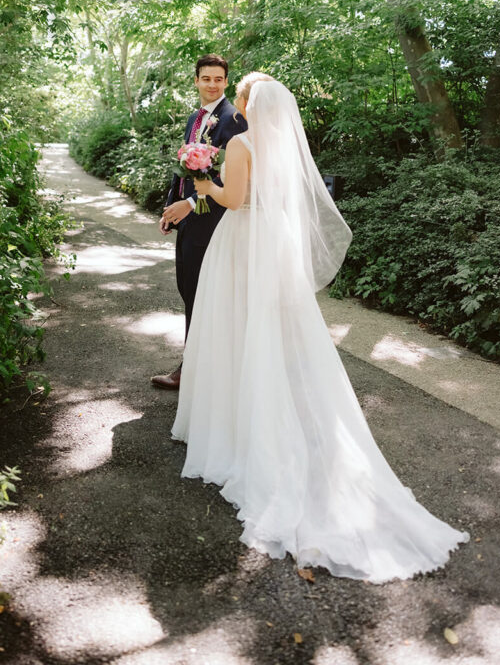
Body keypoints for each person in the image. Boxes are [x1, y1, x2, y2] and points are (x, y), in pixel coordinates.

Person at [172, 74, 469, 582]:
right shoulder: (287, 145)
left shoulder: (242, 142)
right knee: (275, 333)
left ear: (246, 102)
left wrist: (204, 183)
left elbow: (235, 200)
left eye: (239, 95)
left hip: (242, 243)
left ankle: (239, 427)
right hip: (275, 246)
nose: (238, 102)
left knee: (238, 329)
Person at [151, 55, 248, 391]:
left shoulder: (232, 120)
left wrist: (191, 204)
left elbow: (228, 179)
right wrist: (169, 210)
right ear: (196, 80)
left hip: (212, 221)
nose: (212, 84)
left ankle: (190, 369)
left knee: (200, 293)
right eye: (206, 78)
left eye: (218, 79)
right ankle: (204, 363)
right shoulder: (195, 117)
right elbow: (184, 169)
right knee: (187, 288)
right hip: (188, 220)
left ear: (226, 82)